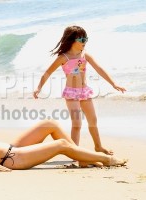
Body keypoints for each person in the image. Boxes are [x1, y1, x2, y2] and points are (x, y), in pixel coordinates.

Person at [0, 86, 127, 171]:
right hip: (12, 159)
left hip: (12, 149)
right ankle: (108, 160)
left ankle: (82, 158)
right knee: (60, 144)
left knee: (49, 124)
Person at [33, 25, 126, 155]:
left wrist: (113, 83)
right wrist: (38, 88)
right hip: (71, 93)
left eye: (86, 39)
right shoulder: (63, 58)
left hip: (84, 91)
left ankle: (98, 146)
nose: (85, 42)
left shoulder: (85, 55)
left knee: (93, 121)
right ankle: (75, 151)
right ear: (72, 40)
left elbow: (99, 69)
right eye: (82, 39)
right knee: (77, 124)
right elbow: (47, 73)